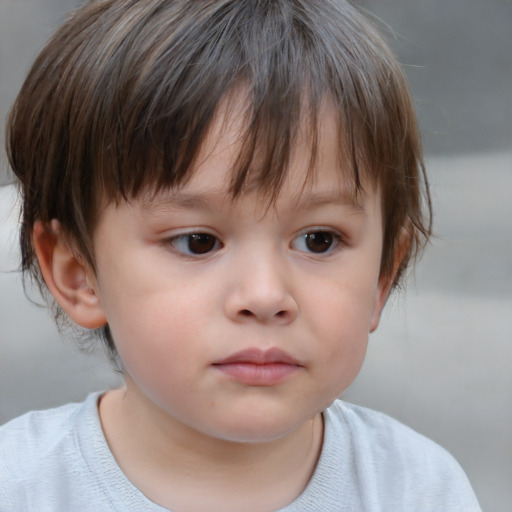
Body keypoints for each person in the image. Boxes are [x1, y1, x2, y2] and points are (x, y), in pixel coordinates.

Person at [0, 1, 481, 510]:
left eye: (319, 239)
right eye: (197, 241)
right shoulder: (21, 486)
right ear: (78, 274)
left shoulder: (418, 490)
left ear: (382, 276)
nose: (266, 296)